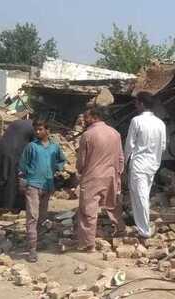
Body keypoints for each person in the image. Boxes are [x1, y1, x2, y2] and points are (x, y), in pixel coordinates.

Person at [76, 107, 124, 252]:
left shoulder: (88, 135)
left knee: (88, 211)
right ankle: (121, 232)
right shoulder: (115, 133)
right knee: (113, 205)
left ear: (95, 117)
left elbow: (81, 162)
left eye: (86, 117)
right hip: (111, 176)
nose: (84, 120)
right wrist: (118, 174)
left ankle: (88, 243)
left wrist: (79, 171)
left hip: (92, 177)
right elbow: (120, 157)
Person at [18, 120, 65, 262]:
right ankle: (32, 249)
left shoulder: (55, 148)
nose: (37, 132)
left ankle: (40, 241)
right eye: (36, 130)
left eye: (40, 129)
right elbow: (22, 165)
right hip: (33, 185)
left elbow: (62, 161)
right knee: (33, 216)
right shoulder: (31, 147)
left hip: (48, 186)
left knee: (43, 217)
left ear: (47, 130)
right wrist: (25, 178)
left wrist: (57, 170)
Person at [125, 92, 166, 238]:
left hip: (139, 165)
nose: (135, 106)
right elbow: (162, 147)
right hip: (153, 165)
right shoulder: (160, 123)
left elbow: (129, 145)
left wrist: (123, 162)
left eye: (136, 103)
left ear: (142, 104)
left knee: (140, 196)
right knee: (143, 195)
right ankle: (142, 226)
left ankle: (144, 230)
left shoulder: (136, 121)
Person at [0, 119, 34, 214]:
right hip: (12, 154)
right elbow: (35, 146)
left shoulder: (16, 122)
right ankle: (7, 208)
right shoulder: (34, 128)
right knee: (11, 182)